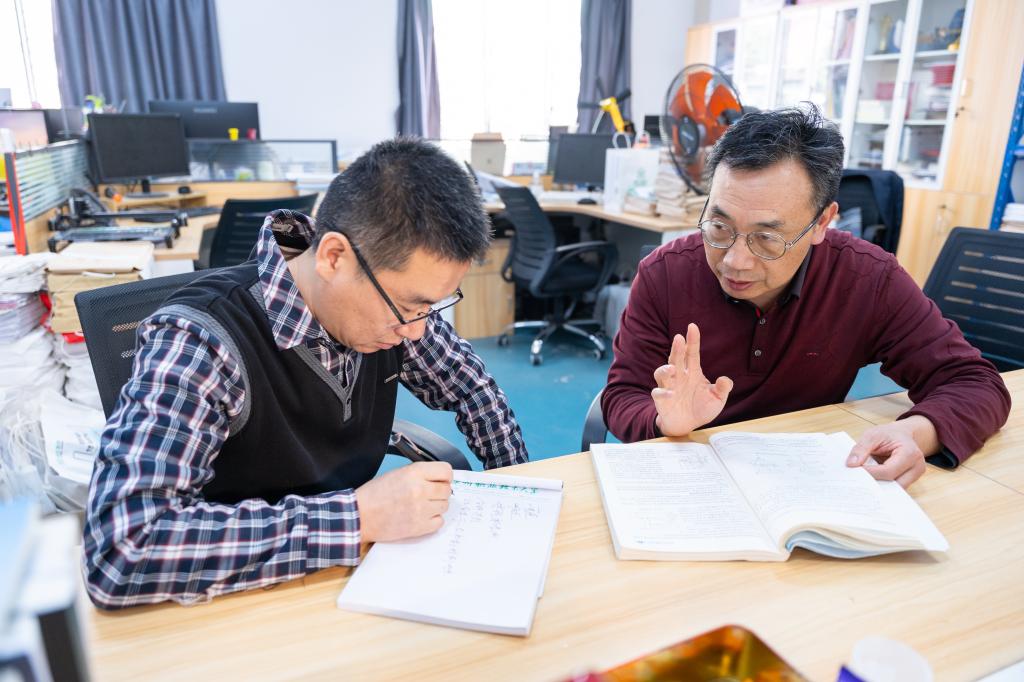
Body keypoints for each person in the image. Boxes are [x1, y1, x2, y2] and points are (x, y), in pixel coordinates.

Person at [83, 138, 528, 609]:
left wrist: (520, 494)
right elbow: (122, 550)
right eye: (409, 307)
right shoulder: (200, 341)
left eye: (430, 307)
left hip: (346, 576)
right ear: (333, 257)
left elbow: (473, 390)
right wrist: (357, 518)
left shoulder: (392, 310)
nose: (417, 331)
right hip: (231, 598)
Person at [603, 106, 1010, 489]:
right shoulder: (665, 274)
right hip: (692, 478)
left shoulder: (867, 278)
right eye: (719, 226)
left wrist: (915, 432)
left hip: (806, 481)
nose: (735, 261)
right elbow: (622, 395)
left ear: (822, 223)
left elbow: (974, 383)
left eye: (767, 238)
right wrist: (665, 421)